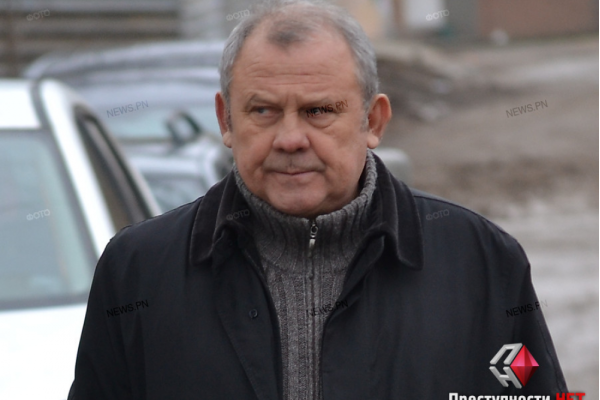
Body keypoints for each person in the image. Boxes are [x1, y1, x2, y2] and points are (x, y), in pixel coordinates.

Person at [68, 1, 567, 399]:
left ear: (373, 121)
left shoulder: (480, 262)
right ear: (225, 120)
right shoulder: (138, 271)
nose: (290, 139)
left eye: (319, 111)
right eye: (263, 111)